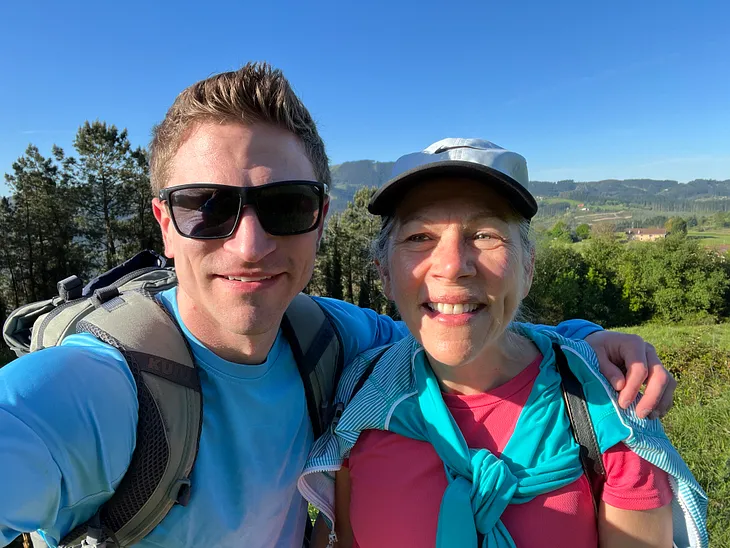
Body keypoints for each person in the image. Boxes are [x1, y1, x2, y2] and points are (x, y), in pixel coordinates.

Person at [0, 65, 676, 548]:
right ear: (163, 224)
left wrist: (591, 342)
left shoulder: (338, 343)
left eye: (285, 206)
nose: (251, 242)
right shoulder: (93, 391)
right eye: (206, 207)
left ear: (321, 218)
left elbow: (458, 323)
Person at [301, 138, 707, 548]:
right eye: (419, 236)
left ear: (527, 268)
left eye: (484, 234)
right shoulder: (359, 398)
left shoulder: (610, 409)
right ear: (384, 273)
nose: (453, 266)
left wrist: (588, 339)